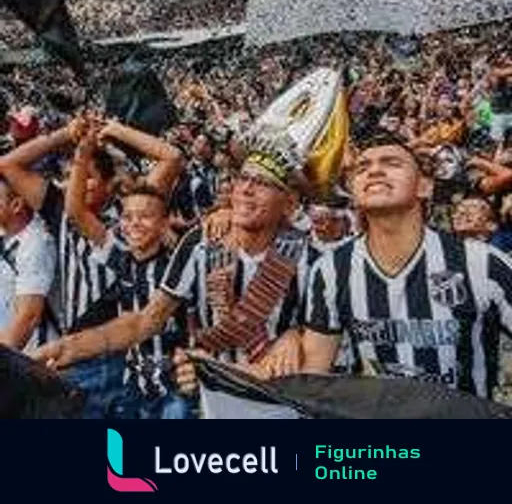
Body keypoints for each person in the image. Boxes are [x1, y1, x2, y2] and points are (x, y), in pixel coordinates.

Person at [34, 133, 318, 395]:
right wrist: (71, 346)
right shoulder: (201, 243)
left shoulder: (309, 256)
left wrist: (296, 335)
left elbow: (326, 345)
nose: (246, 189)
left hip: (281, 403)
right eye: (243, 178)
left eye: (264, 183)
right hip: (216, 399)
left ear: (289, 201)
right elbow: (146, 321)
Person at [303, 131, 512, 400]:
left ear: (424, 186)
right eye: (362, 167)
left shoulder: (481, 263)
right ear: (354, 190)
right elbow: (313, 377)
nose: (375, 170)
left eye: (391, 163)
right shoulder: (330, 269)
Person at [0, 114, 183, 417]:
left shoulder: (131, 217)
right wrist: (66, 134)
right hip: (78, 353)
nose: (78, 180)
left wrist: (115, 130)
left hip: (130, 355)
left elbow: (171, 158)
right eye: (73, 173)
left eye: (89, 176)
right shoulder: (59, 209)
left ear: (111, 184)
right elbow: (7, 164)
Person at [0, 176, 56, 350]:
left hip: (28, 360)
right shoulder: (7, 237)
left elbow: (29, 317)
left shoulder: (36, 243)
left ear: (16, 205)